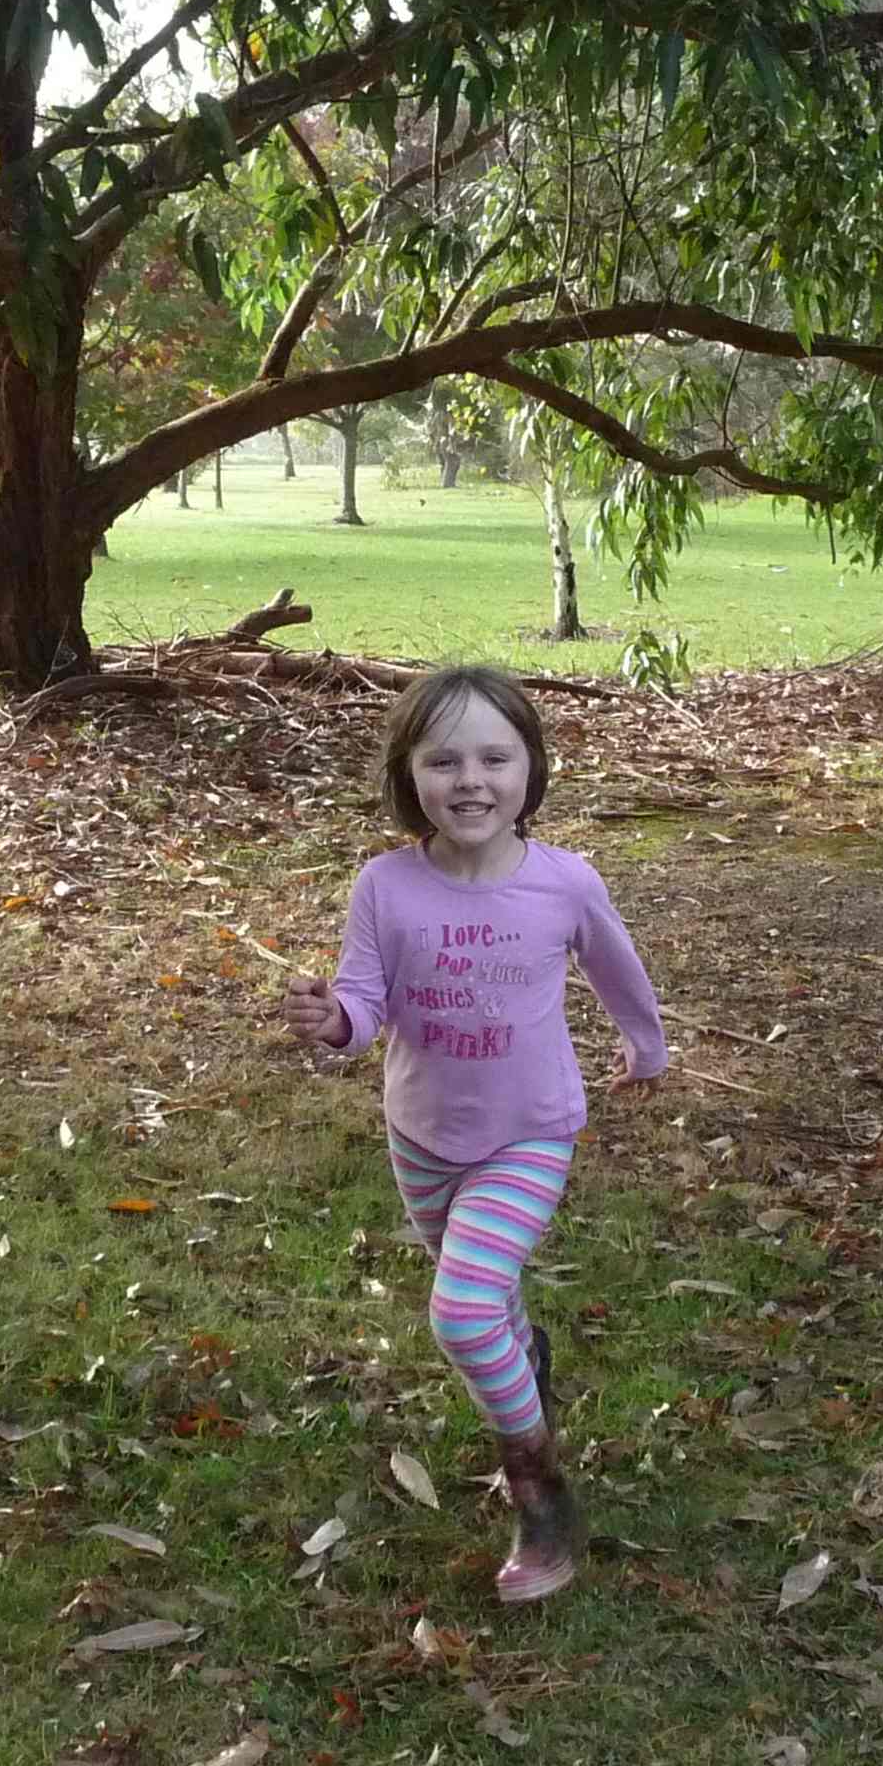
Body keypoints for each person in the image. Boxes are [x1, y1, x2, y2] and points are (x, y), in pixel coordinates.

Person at [279, 665, 667, 1603]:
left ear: (530, 768)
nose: (471, 781)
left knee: (460, 1312)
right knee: (488, 1303)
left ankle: (541, 1493)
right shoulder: (385, 886)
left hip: (529, 1133)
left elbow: (617, 967)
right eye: (443, 760)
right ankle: (528, 1369)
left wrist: (645, 1044)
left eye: (495, 758)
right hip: (420, 1135)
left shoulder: (564, 883)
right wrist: (334, 1023)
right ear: (407, 772)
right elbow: (364, 1000)